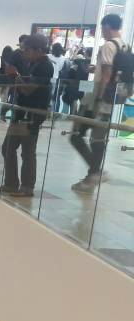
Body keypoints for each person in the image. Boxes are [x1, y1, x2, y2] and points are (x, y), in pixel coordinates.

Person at [71, 14, 125, 193]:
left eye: (102, 28)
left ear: (108, 26)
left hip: (97, 98)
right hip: (111, 100)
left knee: (77, 135)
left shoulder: (109, 45)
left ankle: (95, 173)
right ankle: (93, 175)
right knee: (98, 138)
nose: (102, 32)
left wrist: (98, 100)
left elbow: (107, 75)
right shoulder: (125, 46)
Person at [0, 34, 53, 197]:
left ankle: (27, 187)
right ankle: (12, 183)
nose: (24, 53)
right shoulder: (33, 64)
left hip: (31, 115)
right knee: (9, 147)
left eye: (27, 50)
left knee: (27, 151)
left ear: (38, 50)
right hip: (23, 113)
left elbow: (28, 90)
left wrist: (15, 76)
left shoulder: (44, 67)